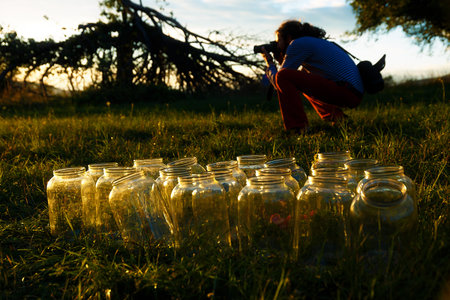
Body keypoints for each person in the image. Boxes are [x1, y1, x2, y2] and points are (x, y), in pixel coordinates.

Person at [261, 20, 364, 133]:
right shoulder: (312, 42)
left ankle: (298, 128)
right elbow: (295, 79)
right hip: (352, 92)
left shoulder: (296, 43)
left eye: (278, 40)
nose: (277, 45)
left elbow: (280, 80)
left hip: (345, 91)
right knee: (298, 76)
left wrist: (270, 63)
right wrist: (281, 60)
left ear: (288, 37)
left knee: (283, 75)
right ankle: (339, 119)